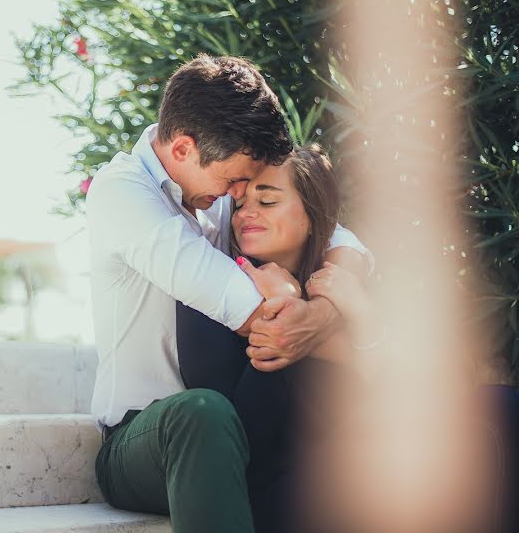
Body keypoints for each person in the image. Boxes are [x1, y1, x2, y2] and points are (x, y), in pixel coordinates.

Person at [176, 144, 519, 533]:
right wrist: (283, 309)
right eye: (241, 204)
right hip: (275, 495)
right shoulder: (211, 295)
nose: (246, 214)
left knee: (504, 408)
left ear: (314, 217)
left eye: (266, 201)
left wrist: (362, 317)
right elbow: (242, 443)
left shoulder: (347, 287)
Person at [86, 54, 372, 533]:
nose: (239, 195)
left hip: (239, 428)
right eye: (234, 180)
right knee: (203, 414)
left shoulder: (213, 194)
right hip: (144, 441)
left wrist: (323, 311)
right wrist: (350, 325)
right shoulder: (121, 193)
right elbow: (249, 310)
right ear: (182, 149)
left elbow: (340, 238)